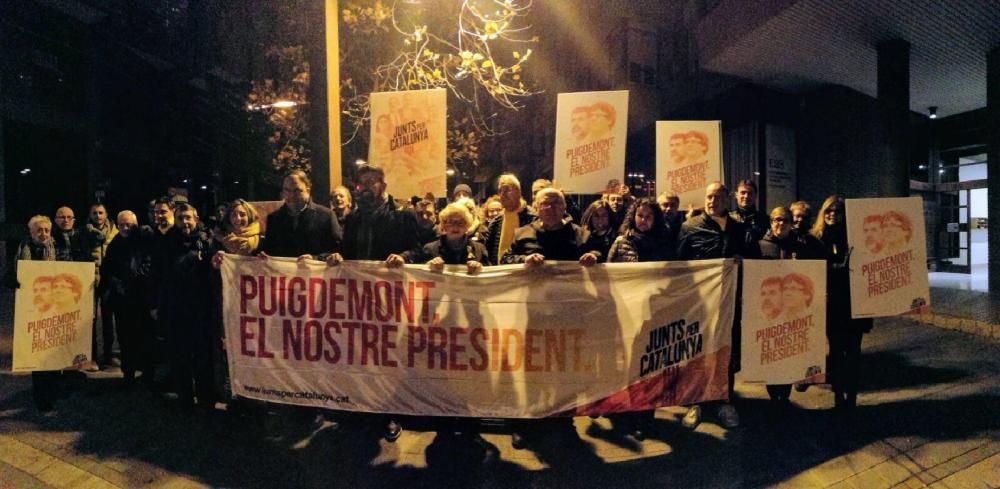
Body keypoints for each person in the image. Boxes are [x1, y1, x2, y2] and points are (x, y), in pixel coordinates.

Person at [328, 164, 422, 442]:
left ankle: (391, 413)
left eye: (372, 181)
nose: (366, 187)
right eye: (362, 183)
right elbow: (346, 252)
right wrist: (336, 257)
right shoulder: (354, 219)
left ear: (383, 185)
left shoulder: (403, 217)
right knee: (362, 354)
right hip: (360, 299)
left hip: (391, 298)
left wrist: (404, 257)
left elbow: (418, 249)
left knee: (390, 356)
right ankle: (363, 407)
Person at [502, 187, 598, 448]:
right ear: (535, 206)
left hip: (568, 317)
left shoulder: (580, 234)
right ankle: (526, 424)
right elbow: (505, 260)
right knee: (531, 371)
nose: (552, 207)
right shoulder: (523, 234)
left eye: (557, 202)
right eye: (546, 202)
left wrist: (593, 257)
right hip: (533, 315)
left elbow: (600, 255)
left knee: (565, 371)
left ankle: (563, 421)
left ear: (564, 207)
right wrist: (523, 259)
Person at [677, 182, 760, 430]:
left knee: (726, 351)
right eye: (708, 197)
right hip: (699, 305)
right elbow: (679, 266)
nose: (712, 201)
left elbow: (754, 259)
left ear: (727, 200)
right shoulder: (690, 227)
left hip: (729, 302)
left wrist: (742, 261)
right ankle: (696, 403)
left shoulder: (740, 228)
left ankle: (725, 401)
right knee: (698, 353)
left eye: (717, 197)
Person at [605, 198, 672, 439]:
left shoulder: (663, 243)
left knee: (649, 366)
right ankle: (627, 414)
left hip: (652, 313)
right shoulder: (621, 242)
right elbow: (608, 273)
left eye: (649, 217)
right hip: (626, 313)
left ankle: (645, 416)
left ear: (656, 220)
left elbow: (670, 276)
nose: (644, 221)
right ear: (633, 216)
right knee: (628, 366)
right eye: (640, 216)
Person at [758, 206, 826, 404]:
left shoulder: (801, 246)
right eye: (776, 220)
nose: (780, 224)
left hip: (793, 312)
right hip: (769, 311)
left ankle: (784, 395)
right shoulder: (760, 245)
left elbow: (815, 270)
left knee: (788, 352)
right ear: (771, 222)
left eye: (785, 221)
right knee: (772, 354)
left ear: (791, 224)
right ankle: (774, 396)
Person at [811, 195, 872, 414]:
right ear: (823, 212)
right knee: (836, 351)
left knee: (854, 351)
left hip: (855, 304)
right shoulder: (816, 239)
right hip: (831, 305)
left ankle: (851, 398)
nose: (833, 215)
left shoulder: (856, 237)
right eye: (829, 210)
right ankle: (838, 397)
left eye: (837, 211)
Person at [160, 203, 215, 409]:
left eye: (188, 218)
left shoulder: (207, 241)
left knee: (203, 355)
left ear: (196, 219)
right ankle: (184, 397)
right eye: (181, 218)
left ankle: (206, 398)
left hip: (201, 308)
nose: (185, 222)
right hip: (176, 308)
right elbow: (159, 275)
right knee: (179, 355)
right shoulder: (166, 243)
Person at [9, 216, 67, 411]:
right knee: (38, 355)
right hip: (33, 311)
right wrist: (18, 280)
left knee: (55, 352)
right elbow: (9, 277)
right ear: (31, 233)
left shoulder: (58, 249)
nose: (43, 234)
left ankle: (55, 393)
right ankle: (42, 399)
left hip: (56, 308)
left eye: (46, 230)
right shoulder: (23, 251)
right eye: (39, 230)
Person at [100, 211, 153, 386]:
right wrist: (117, 284)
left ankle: (147, 373)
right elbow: (107, 269)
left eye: (128, 224)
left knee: (145, 336)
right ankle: (128, 373)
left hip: (142, 296)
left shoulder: (145, 240)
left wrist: (135, 278)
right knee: (125, 337)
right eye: (121, 224)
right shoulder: (115, 244)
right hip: (123, 299)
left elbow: (149, 262)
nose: (125, 228)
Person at [260, 170, 342, 261]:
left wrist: (316, 258)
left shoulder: (326, 216)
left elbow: (338, 250)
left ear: (308, 190)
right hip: (284, 274)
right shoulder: (274, 219)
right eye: (287, 190)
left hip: (317, 274)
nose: (291, 195)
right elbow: (270, 251)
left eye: (297, 190)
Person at [412, 202, 489, 271]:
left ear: (467, 225)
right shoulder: (429, 249)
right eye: (450, 222)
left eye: (460, 222)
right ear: (443, 225)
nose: (455, 227)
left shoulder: (479, 249)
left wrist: (481, 269)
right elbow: (417, 274)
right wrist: (428, 266)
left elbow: (491, 276)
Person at [87, 204, 119, 366]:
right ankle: (91, 356)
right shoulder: (85, 232)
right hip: (89, 281)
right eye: (94, 213)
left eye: (101, 213)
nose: (97, 216)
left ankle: (108, 354)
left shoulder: (115, 232)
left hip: (107, 281)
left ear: (106, 214)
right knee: (89, 320)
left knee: (108, 318)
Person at [481, 174, 534, 266]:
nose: (503, 194)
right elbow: (487, 252)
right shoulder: (496, 222)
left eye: (507, 190)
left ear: (519, 192)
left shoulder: (532, 218)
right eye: (500, 191)